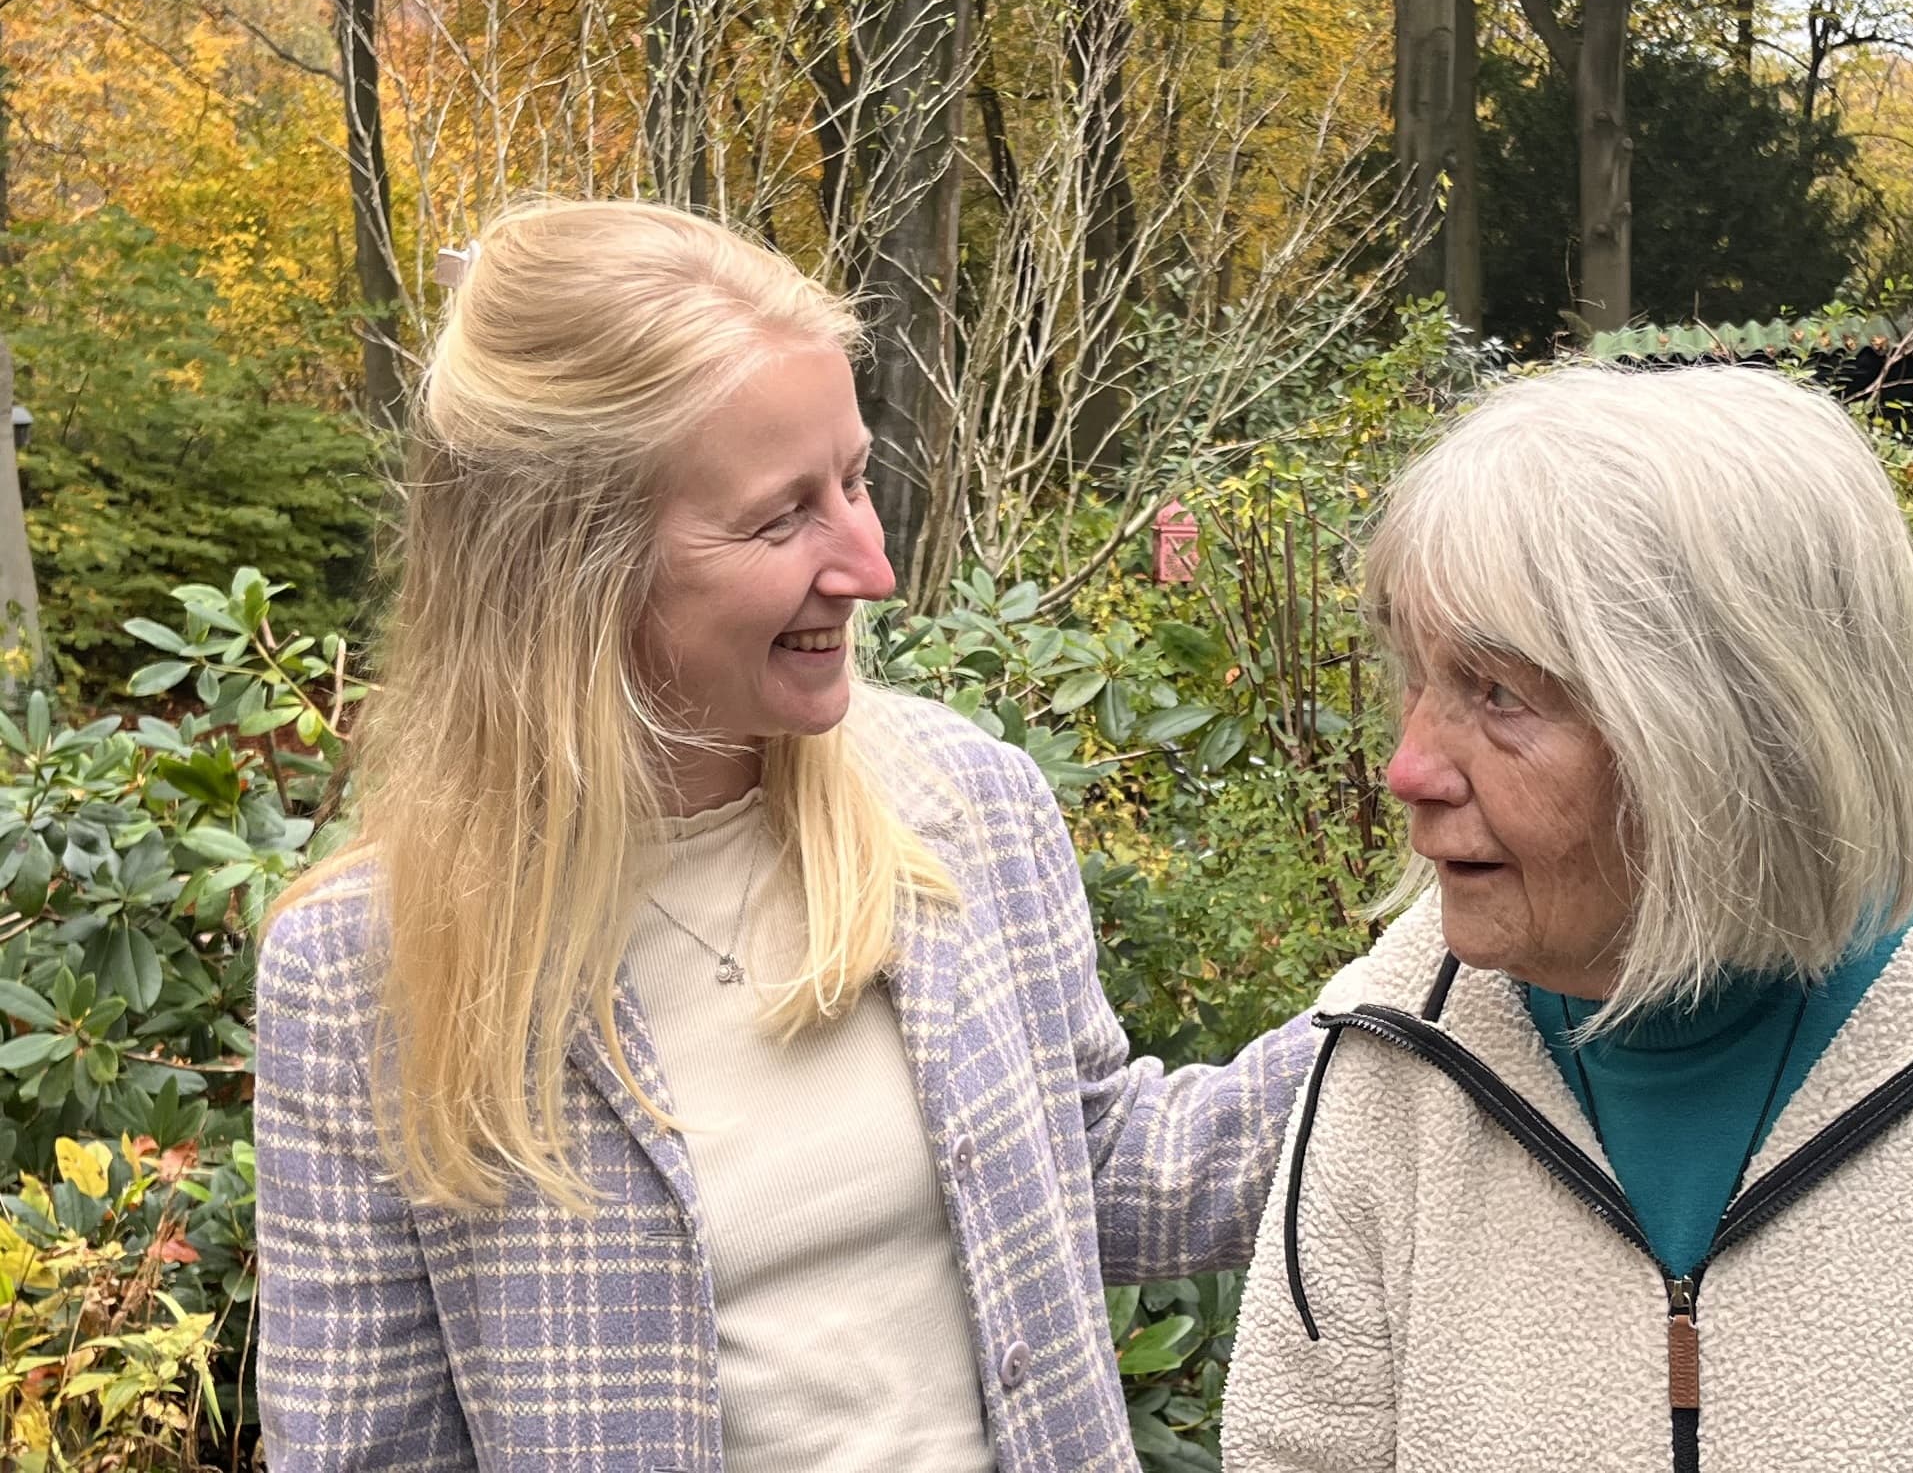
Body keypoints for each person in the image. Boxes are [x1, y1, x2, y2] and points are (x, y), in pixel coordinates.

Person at [253, 198, 1315, 1473]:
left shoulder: (957, 804)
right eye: (780, 516)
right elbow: (367, 1452)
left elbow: (1100, 1168)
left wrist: (1436, 981)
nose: (869, 563)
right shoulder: (368, 976)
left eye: (855, 479)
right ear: (568, 568)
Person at [1223, 364, 1913, 1472]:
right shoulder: (1393, 1062)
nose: (1407, 767)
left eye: (1498, 692)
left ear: (1733, 728)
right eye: (1417, 676)